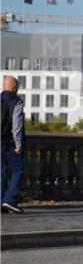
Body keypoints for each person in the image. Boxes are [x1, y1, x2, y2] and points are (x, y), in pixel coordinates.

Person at [1, 75, 25, 214]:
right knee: (17, 170)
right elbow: (17, 125)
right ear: (15, 87)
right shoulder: (17, 101)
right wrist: (18, 144)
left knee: (1, 173)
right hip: (10, 144)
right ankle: (9, 200)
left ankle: (1, 202)